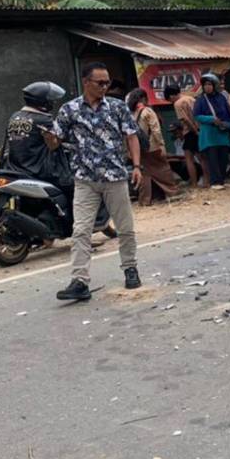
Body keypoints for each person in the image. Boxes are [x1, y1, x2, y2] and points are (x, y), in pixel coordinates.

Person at [51, 62, 142, 302]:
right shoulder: (69, 110)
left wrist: (137, 166)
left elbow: (131, 136)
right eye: (100, 83)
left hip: (115, 177)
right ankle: (79, 281)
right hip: (85, 180)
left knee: (125, 228)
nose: (105, 87)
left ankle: (130, 268)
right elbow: (55, 142)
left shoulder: (117, 107)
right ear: (86, 82)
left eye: (107, 83)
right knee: (80, 230)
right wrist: (48, 137)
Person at [0, 81, 72, 189]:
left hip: (14, 169)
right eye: (51, 100)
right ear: (44, 102)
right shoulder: (43, 119)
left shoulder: (15, 116)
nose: (53, 102)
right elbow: (60, 137)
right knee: (73, 187)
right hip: (38, 171)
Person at [126, 88, 179, 205]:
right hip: (152, 147)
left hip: (138, 150)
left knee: (144, 173)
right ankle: (173, 192)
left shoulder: (131, 114)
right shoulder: (148, 112)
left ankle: (145, 199)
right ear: (144, 98)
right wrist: (162, 145)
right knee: (163, 169)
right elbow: (156, 131)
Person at [193, 73, 230, 190]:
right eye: (205, 85)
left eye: (210, 84)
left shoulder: (221, 98)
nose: (207, 87)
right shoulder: (200, 100)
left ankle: (221, 180)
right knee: (213, 159)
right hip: (209, 135)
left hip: (222, 133)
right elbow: (196, 116)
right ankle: (214, 182)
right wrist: (211, 119)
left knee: (224, 158)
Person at [164, 85, 203, 188]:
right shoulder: (191, 98)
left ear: (171, 96)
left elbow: (185, 119)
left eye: (170, 100)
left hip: (190, 132)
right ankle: (207, 180)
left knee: (189, 158)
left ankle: (194, 183)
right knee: (202, 157)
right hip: (199, 128)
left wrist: (194, 131)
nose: (171, 102)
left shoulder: (178, 103)